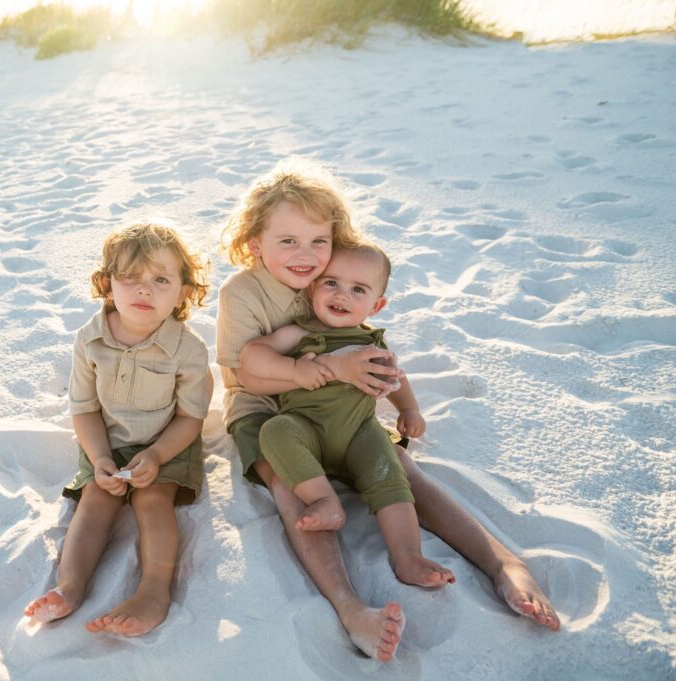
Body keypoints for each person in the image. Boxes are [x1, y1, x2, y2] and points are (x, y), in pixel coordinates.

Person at [216, 158, 560, 661]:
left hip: (336, 407)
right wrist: (333, 366)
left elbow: (371, 351)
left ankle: (504, 565)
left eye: (318, 240)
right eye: (286, 240)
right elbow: (246, 373)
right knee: (289, 487)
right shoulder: (243, 293)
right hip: (261, 407)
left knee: (399, 469)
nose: (305, 255)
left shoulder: (336, 276)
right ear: (254, 243)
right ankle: (350, 607)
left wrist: (389, 392)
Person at [24, 222, 212, 637]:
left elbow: (190, 418)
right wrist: (100, 458)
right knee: (94, 500)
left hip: (168, 442)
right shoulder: (89, 341)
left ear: (183, 292)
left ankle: (153, 592)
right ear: (108, 285)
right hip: (106, 440)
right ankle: (69, 587)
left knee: (152, 500)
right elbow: (85, 409)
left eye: (160, 279)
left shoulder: (189, 350)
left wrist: (159, 456)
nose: (144, 290)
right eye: (131, 279)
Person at [242, 242, 455, 588]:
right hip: (305, 429)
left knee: (389, 476)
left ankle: (408, 556)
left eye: (358, 289)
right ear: (312, 287)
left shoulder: (372, 343)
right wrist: (294, 367)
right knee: (275, 430)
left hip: (360, 433)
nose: (342, 295)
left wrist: (409, 409)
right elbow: (253, 354)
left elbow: (396, 379)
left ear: (377, 305)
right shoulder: (300, 332)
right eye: (331, 283)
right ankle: (324, 499)